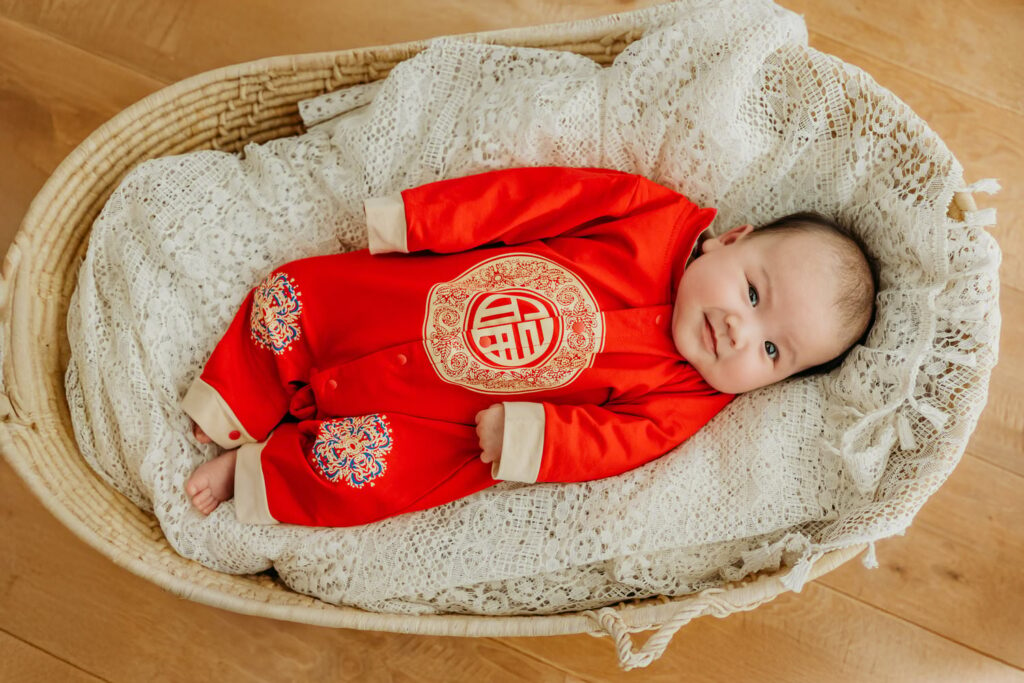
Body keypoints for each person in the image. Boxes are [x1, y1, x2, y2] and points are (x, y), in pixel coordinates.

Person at [181, 166, 877, 526]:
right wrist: (421, 218)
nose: (739, 330)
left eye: (773, 352)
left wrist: (533, 437)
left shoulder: (687, 397)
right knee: (303, 294)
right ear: (732, 238)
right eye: (753, 295)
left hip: (449, 421)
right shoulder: (652, 214)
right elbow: (533, 200)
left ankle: (256, 472)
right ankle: (238, 392)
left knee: (367, 476)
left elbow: (615, 442)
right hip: (421, 299)